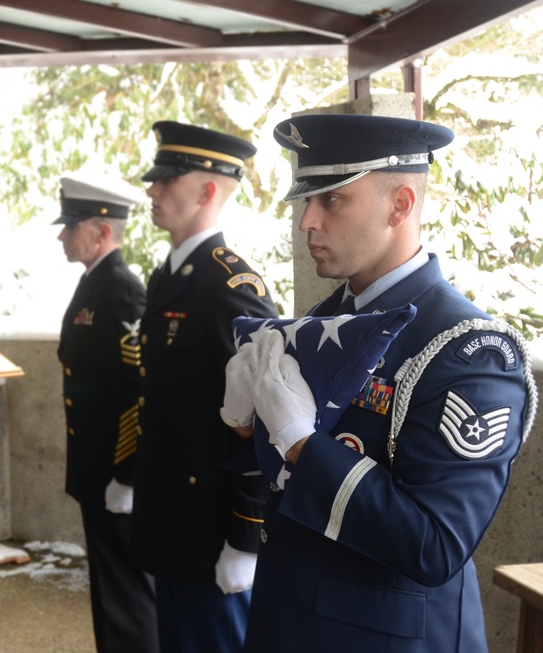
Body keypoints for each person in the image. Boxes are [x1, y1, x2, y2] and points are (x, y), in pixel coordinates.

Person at [228, 113, 537, 653]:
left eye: (332, 199)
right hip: (290, 622)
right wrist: (239, 423)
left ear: (401, 205)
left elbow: (435, 545)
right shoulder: (323, 322)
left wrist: (302, 442)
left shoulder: (469, 350)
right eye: (306, 200)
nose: (306, 221)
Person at [130, 121, 278, 653]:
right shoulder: (168, 277)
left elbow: (267, 417)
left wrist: (246, 536)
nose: (152, 190)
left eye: (166, 180)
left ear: (208, 191)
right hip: (171, 520)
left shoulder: (230, 288)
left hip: (212, 531)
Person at [54, 173, 159, 653]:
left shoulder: (120, 288)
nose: (61, 234)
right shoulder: (95, 283)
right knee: (109, 587)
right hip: (95, 466)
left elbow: (137, 389)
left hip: (114, 472)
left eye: (71, 224)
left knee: (127, 593)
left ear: (102, 231)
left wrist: (127, 474)